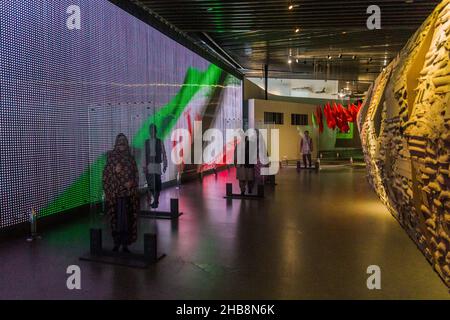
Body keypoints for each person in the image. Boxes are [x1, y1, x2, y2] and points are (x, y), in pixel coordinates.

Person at [102, 134, 139, 253]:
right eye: (120, 142)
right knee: (117, 219)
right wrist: (114, 170)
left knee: (127, 219)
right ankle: (117, 242)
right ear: (116, 143)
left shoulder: (130, 158)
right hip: (116, 194)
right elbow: (106, 175)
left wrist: (132, 182)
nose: (122, 144)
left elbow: (135, 173)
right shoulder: (111, 157)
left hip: (128, 194)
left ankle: (125, 244)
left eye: (124, 141)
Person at [144, 124, 168, 209]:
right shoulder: (146, 142)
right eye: (150, 130)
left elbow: (164, 153)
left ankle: (156, 201)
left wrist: (165, 164)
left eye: (153, 130)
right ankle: (155, 200)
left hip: (156, 165)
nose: (152, 132)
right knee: (150, 184)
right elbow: (144, 155)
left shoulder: (159, 141)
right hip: (149, 165)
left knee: (157, 184)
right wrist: (144, 166)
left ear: (155, 131)